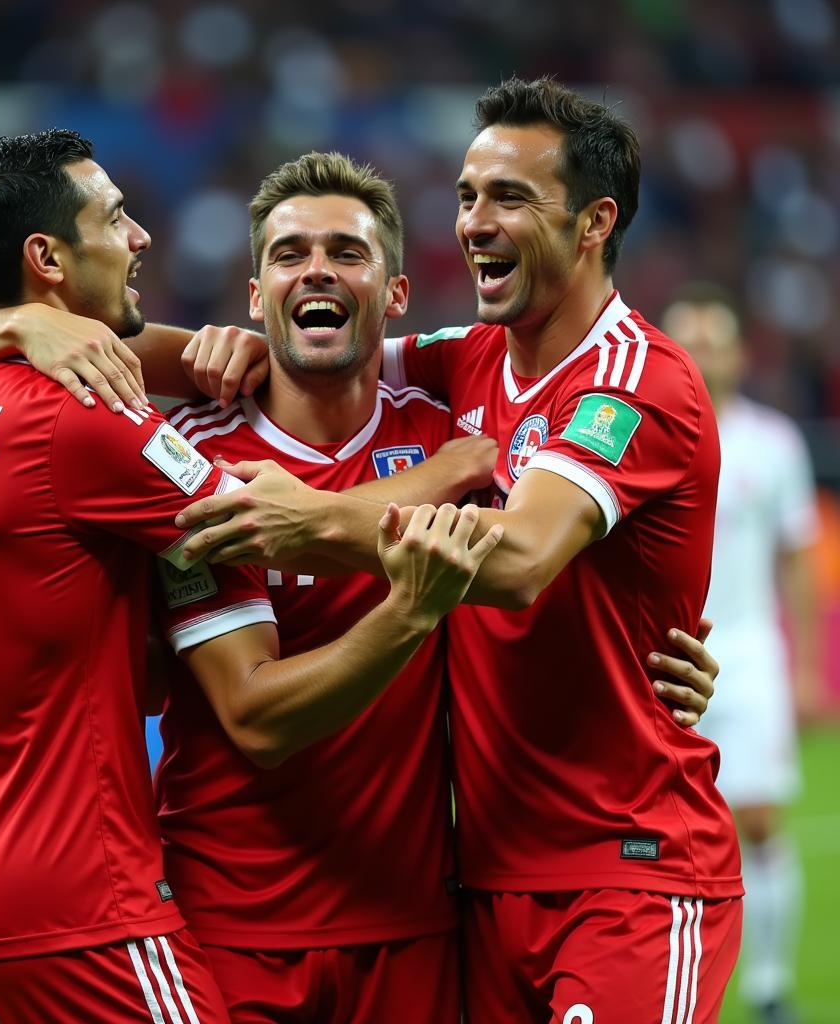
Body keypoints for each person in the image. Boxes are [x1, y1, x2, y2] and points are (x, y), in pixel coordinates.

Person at [0, 147, 721, 1023]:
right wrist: (13, 325)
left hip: (420, 928)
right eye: (288, 255)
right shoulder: (197, 450)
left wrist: (667, 655)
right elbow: (255, 713)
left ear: (395, 298)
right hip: (230, 927)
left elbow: (567, 547)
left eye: (347, 254)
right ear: (255, 300)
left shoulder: (453, 404)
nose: (316, 271)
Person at [0, 129, 501, 1024]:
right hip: (88, 888)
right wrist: (445, 484)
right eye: (115, 218)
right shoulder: (116, 429)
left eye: (346, 253)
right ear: (47, 258)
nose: (142, 237)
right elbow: (269, 527)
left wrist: (10, 321)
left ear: (392, 290)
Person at [161, 77, 745, 1023]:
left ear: (595, 222)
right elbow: (322, 346)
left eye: (509, 197)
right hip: (482, 885)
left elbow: (515, 564)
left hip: (627, 866)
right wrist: (169, 342)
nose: (475, 221)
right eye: (469, 195)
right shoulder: (463, 362)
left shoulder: (630, 381)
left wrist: (310, 523)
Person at [663, 284, 822, 1024]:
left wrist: (808, 663)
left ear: (738, 354)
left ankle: (766, 987)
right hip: (661, 657)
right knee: (663, 834)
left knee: (756, 821)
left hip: (750, 653)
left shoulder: (774, 443)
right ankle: (683, 987)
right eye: (687, 337)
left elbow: (796, 558)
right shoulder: (642, 434)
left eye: (714, 338)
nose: (702, 351)